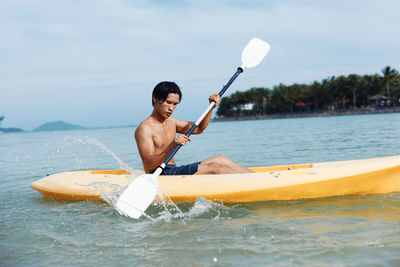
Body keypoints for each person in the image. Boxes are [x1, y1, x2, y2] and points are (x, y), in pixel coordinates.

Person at [134, 81, 253, 175]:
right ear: (155, 98)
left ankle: (258, 178)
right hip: (160, 175)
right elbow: (149, 164)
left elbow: (198, 128)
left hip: (173, 170)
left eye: (175, 104)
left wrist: (211, 107)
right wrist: (173, 145)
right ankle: (255, 182)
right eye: (168, 102)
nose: (171, 108)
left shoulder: (172, 122)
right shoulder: (145, 128)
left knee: (220, 159)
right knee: (216, 168)